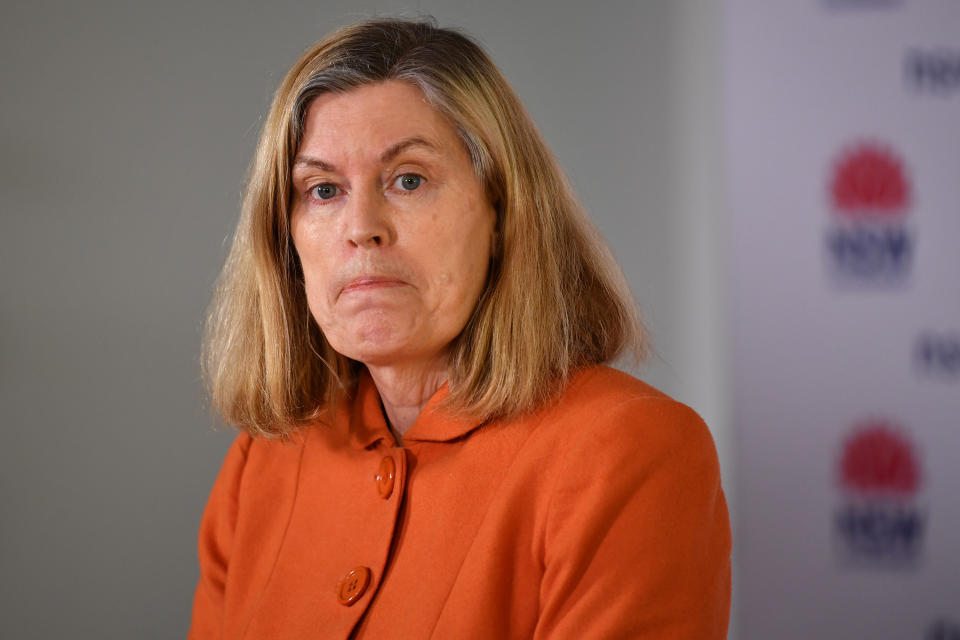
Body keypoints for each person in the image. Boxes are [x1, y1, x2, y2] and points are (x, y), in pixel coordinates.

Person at [189, 17, 730, 639]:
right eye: (324, 190)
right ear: (284, 239)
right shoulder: (263, 461)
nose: (361, 226)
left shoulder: (630, 450)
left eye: (408, 180)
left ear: (501, 211)